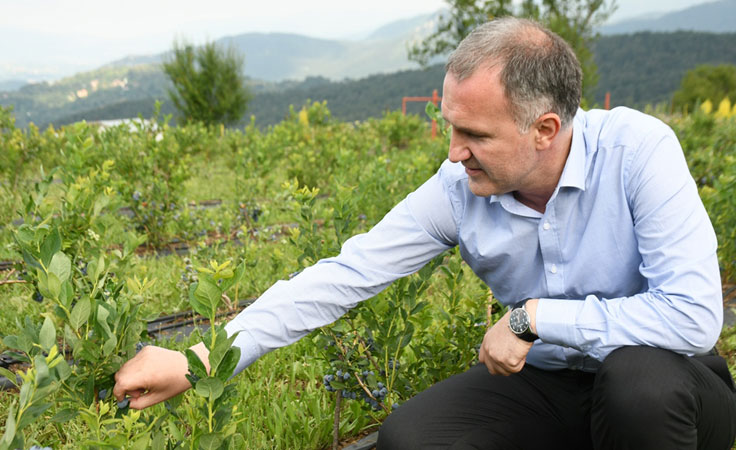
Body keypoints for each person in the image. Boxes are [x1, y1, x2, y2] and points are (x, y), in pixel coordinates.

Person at [114, 17, 736, 449]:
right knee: (416, 438)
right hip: (552, 386)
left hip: (673, 387)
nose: (454, 152)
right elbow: (344, 276)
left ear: (545, 129)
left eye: (476, 136)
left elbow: (692, 317)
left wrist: (534, 318)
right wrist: (201, 359)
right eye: (450, 127)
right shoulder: (456, 188)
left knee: (636, 389)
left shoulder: (637, 150)